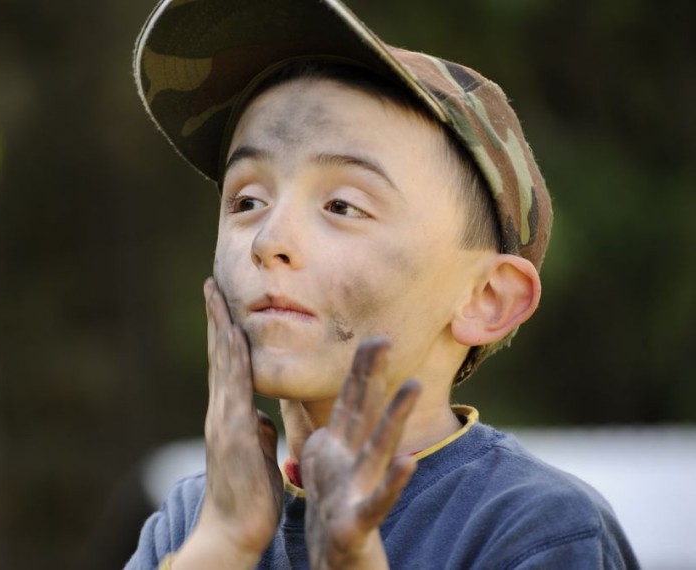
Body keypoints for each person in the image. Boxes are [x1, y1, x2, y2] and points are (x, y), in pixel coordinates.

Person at [128, 0, 639, 568]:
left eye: (343, 206)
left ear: (486, 298)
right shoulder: (189, 523)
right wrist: (223, 543)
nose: (268, 240)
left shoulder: (536, 530)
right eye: (247, 200)